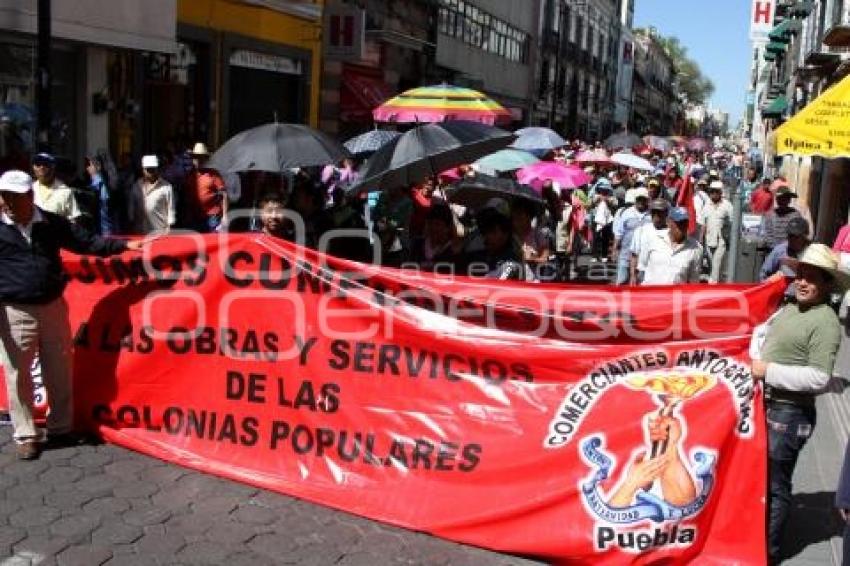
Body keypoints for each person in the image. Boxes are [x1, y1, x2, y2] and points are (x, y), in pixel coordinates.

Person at [0, 170, 146, 460]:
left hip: (53, 306)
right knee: (18, 375)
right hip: (14, 310)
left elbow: (87, 242)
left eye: (12, 197)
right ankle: (26, 434)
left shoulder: (51, 223)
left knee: (59, 369)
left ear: (29, 197)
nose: (6, 203)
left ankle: (60, 427)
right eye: (3, 197)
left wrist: (124, 245)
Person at [750, 243, 846, 562]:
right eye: (801, 275)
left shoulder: (825, 321)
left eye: (812, 277)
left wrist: (767, 371)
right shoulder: (791, 306)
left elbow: (819, 378)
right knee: (763, 481)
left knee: (776, 486)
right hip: (769, 405)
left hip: (788, 414)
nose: (803, 282)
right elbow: (764, 334)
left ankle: (768, 552)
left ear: (827, 283)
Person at [638, 207, 702, 285]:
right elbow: (642, 267)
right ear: (668, 222)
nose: (682, 227)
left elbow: (693, 281)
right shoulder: (653, 239)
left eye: (685, 223)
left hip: (676, 295)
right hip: (651, 294)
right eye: (678, 223)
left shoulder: (695, 248)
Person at [759, 217, 811, 300]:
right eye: (790, 236)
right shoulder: (779, 251)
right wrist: (770, 283)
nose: (792, 239)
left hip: (805, 299)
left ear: (805, 236)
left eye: (796, 236)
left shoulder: (813, 252)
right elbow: (764, 274)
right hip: (783, 299)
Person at [184, 143, 227, 233]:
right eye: (195, 157)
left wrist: (225, 216)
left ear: (205, 158)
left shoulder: (213, 174)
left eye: (200, 157)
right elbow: (188, 195)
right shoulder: (190, 175)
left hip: (212, 216)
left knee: (212, 243)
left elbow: (224, 194)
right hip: (195, 216)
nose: (197, 160)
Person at [128, 155, 176, 234]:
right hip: (140, 233)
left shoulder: (166, 187)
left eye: (153, 169)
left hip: (159, 233)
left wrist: (169, 231)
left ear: (157, 169)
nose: (151, 173)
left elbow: (171, 212)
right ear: (143, 170)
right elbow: (131, 210)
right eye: (148, 170)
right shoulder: (136, 186)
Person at [612, 187, 649, 285]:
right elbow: (619, 233)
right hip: (625, 255)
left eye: (643, 199)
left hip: (643, 258)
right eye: (639, 199)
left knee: (640, 284)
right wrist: (615, 249)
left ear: (647, 200)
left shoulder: (651, 215)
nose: (641, 201)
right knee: (622, 281)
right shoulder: (627, 213)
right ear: (635, 199)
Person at [699, 181, 733, 284]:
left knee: (716, 264)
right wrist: (701, 238)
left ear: (720, 192)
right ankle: (718, 282)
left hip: (721, 240)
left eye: (716, 191)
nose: (713, 193)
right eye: (712, 191)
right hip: (709, 239)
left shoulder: (727, 205)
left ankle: (713, 286)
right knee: (711, 265)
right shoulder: (706, 205)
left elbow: (733, 222)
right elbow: (703, 223)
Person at [31, 153, 81, 222]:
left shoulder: (65, 191)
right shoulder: (28, 189)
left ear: (53, 167)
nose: (41, 167)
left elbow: (74, 220)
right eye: (38, 164)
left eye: (46, 164)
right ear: (33, 167)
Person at [629, 198, 668, 284]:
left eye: (660, 213)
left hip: (663, 276)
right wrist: (633, 275)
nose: (656, 216)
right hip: (643, 275)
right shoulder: (641, 230)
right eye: (654, 212)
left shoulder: (671, 233)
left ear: (666, 213)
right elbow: (634, 255)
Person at [760, 184, 803, 250]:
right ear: (777, 200)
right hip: (773, 250)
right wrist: (776, 249)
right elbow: (767, 234)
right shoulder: (770, 215)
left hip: (790, 251)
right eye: (780, 198)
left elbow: (797, 235)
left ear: (789, 200)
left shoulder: (795, 215)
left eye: (786, 198)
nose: (783, 201)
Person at [84, 155, 116, 236]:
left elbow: (104, 206)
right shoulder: (94, 183)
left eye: (90, 165)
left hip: (103, 231)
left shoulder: (101, 185)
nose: (87, 168)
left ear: (98, 167)